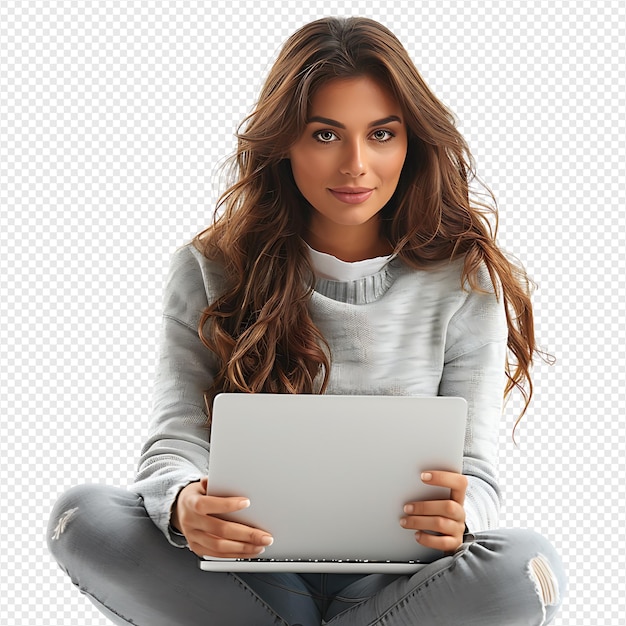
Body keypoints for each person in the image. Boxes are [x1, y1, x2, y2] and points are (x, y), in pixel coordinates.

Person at [47, 16, 566, 626]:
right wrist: (185, 503)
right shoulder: (209, 266)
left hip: (395, 581)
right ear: (285, 142)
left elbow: (474, 472)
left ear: (411, 142)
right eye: (325, 135)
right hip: (250, 572)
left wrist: (462, 516)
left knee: (529, 566)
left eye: (381, 134)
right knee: (81, 518)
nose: (356, 165)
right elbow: (178, 438)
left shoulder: (462, 278)